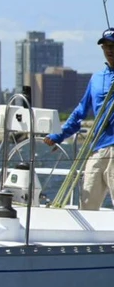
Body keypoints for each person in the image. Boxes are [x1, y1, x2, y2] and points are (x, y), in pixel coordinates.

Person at [43, 28, 114, 210]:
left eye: (113, 46)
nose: (110, 50)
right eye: (106, 46)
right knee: (87, 202)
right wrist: (58, 135)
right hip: (97, 149)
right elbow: (80, 112)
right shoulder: (97, 78)